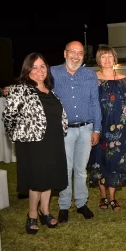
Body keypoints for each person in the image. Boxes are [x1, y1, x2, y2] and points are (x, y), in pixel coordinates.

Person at [2, 53, 68, 234]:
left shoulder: (50, 91)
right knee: (37, 180)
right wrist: (18, 136)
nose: (40, 70)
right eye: (35, 67)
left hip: (54, 141)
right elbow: (8, 116)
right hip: (33, 144)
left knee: (49, 178)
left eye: (43, 66)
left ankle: (45, 212)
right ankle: (31, 214)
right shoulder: (20, 89)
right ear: (27, 70)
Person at [51, 41, 102, 222]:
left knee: (81, 169)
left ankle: (81, 203)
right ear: (65, 53)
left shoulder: (89, 75)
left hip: (86, 129)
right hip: (63, 131)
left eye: (80, 53)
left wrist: (97, 129)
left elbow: (95, 102)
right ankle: (64, 206)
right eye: (72, 52)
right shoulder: (53, 72)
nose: (76, 56)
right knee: (65, 169)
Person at [88, 45, 126, 211]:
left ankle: (113, 198)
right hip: (99, 126)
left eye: (110, 56)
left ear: (114, 58)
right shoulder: (93, 79)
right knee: (99, 161)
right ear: (99, 60)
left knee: (115, 161)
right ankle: (102, 197)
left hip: (120, 128)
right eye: (103, 57)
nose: (107, 60)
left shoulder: (124, 80)